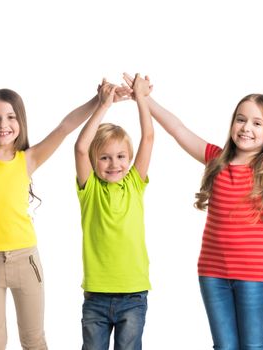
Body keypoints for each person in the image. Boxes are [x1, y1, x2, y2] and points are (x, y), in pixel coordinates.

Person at [123, 47, 263, 349]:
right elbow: (177, 129)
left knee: (253, 347)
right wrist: (145, 99)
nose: (246, 128)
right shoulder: (215, 159)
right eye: (241, 119)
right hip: (212, 274)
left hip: (254, 277)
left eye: (257, 123)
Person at [0, 17, 130, 350]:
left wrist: (99, 102)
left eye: (10, 117)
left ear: (20, 123)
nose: (2, 124)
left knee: (34, 339)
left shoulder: (29, 159)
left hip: (26, 262)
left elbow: (66, 128)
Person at [74, 75, 154, 350]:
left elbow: (148, 138)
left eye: (120, 156)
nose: (113, 164)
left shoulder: (134, 183)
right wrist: (103, 105)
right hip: (96, 295)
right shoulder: (90, 189)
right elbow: (81, 147)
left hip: (133, 295)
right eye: (105, 157)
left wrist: (141, 99)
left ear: (129, 159)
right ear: (95, 161)